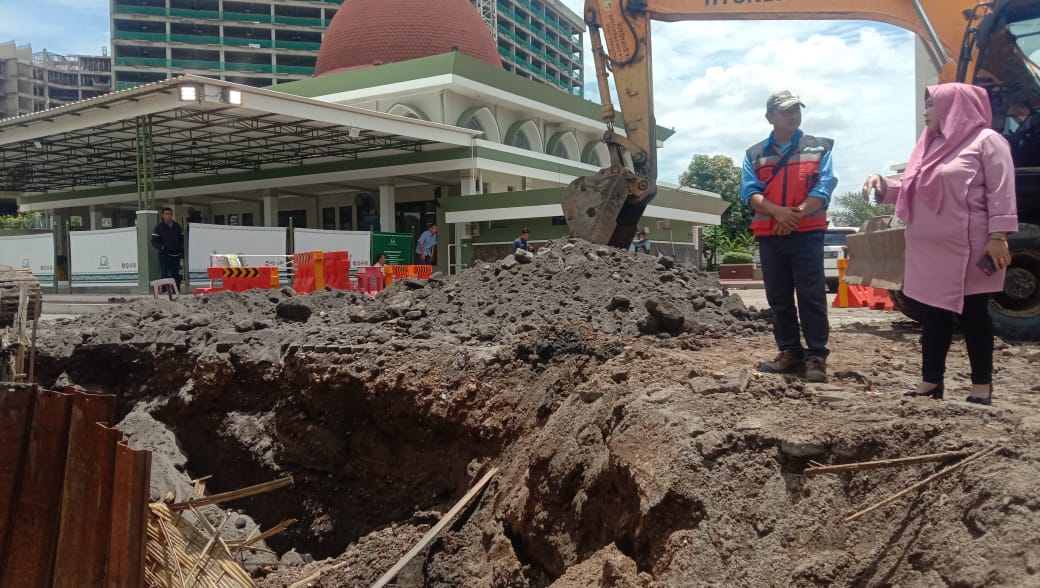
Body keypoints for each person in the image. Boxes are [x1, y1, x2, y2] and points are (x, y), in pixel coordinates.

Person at [862, 83, 1017, 405]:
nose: (925, 111)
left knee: (974, 315)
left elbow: (1002, 192)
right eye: (926, 105)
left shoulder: (988, 141)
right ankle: (931, 382)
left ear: (955, 107)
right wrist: (884, 185)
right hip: (928, 249)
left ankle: (981, 387)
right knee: (933, 316)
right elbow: (912, 188)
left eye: (933, 104)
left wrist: (999, 236)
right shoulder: (929, 146)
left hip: (972, 247)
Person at [740, 90, 837, 383]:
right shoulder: (754, 153)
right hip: (771, 235)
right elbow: (749, 192)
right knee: (779, 297)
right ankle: (790, 352)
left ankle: (816, 355)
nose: (792, 115)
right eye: (785, 111)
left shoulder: (819, 147)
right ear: (770, 117)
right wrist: (777, 213)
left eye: (796, 109)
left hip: (806, 232)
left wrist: (790, 216)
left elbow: (824, 188)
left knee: (811, 295)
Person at [150, 207, 184, 287]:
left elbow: (182, 238)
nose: (168, 215)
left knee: (175, 273)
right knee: (164, 273)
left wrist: (181, 248)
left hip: (176, 254)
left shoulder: (177, 226)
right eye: (166, 214)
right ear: (163, 215)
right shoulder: (158, 227)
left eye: (169, 214)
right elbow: (154, 241)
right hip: (164, 255)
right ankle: (165, 291)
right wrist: (162, 247)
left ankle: (176, 290)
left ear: (172, 215)